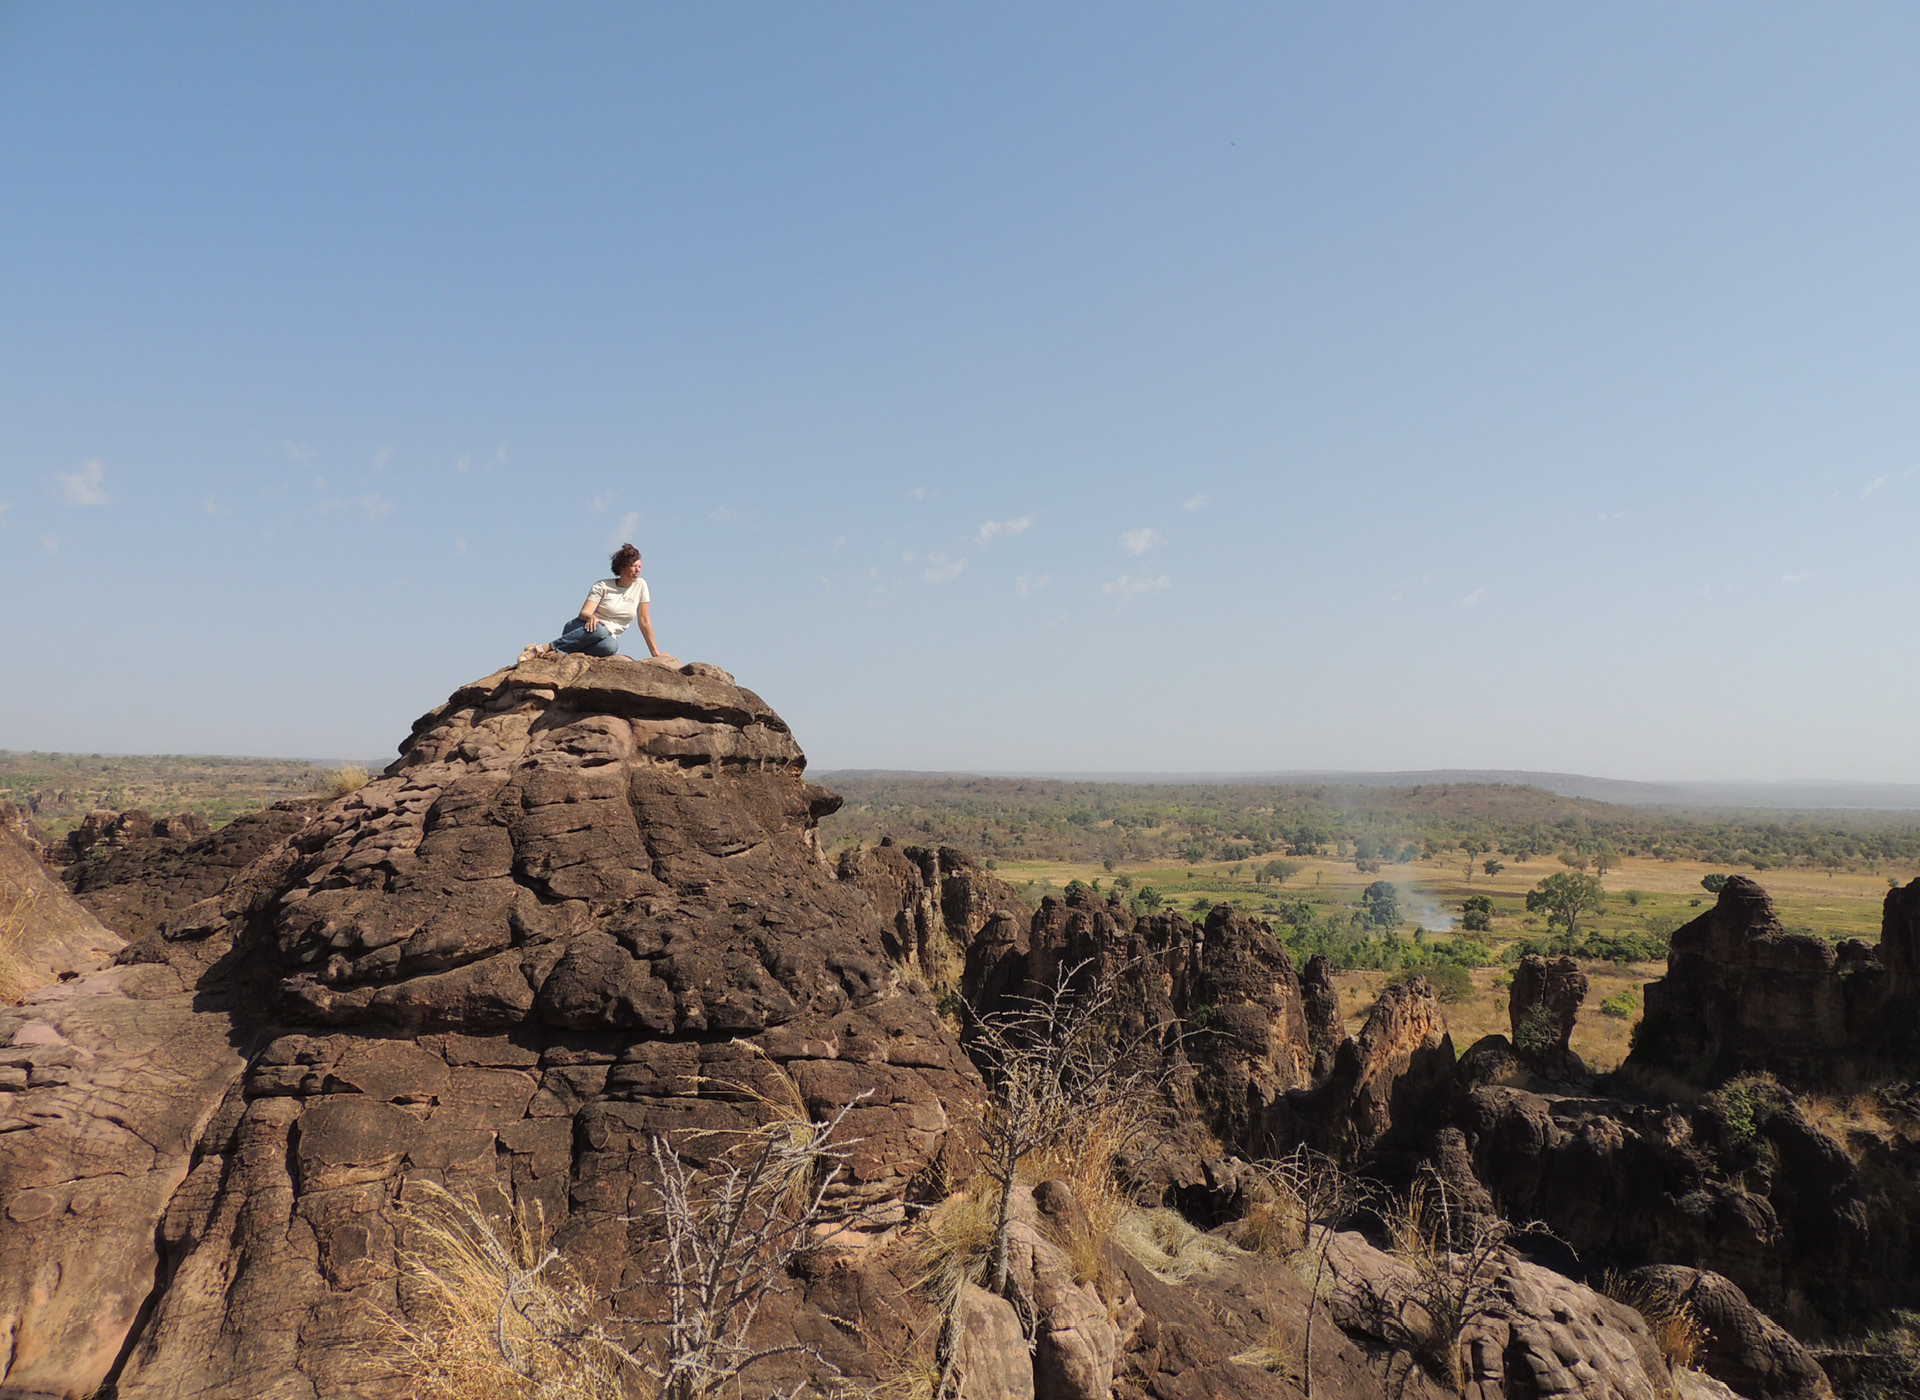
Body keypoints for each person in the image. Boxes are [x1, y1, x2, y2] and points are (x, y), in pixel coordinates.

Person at [531, 544, 677, 663]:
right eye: (634, 566)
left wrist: (656, 653)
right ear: (622, 567)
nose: (638, 570)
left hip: (604, 639)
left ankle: (562, 654)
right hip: (583, 629)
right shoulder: (602, 586)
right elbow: (584, 613)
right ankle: (544, 648)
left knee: (610, 647)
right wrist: (592, 618)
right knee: (601, 630)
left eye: (639, 566)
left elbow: (644, 620)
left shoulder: (641, 586)